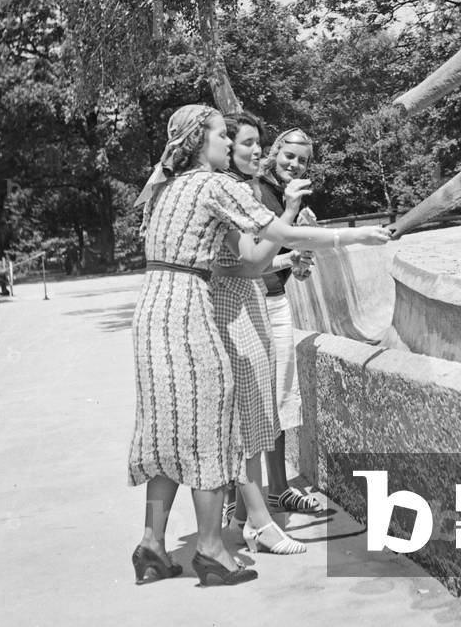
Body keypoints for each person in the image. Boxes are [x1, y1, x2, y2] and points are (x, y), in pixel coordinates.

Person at [128, 104, 389, 587]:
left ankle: (152, 546)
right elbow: (279, 232)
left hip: (150, 311)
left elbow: (251, 257)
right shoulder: (213, 183)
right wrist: (356, 235)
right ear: (198, 142)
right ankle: (210, 550)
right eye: (221, 136)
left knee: (164, 434)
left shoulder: (164, 188)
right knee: (211, 430)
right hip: (190, 309)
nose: (229, 143)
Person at [211, 112, 306, 555]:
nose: (295, 164)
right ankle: (243, 515)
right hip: (239, 306)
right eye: (245, 142)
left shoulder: (254, 189)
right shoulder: (230, 192)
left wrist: (294, 256)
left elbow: (267, 256)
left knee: (265, 407)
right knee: (244, 412)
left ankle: (255, 509)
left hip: (261, 301)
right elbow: (251, 261)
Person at [256, 128, 320, 513]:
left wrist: (303, 254)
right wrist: (291, 214)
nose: (294, 164)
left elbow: (293, 268)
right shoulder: (257, 190)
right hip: (252, 302)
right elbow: (256, 251)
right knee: (249, 400)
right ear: (274, 153)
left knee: (279, 396)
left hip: (278, 301)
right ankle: (238, 499)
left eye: (302, 161)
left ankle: (278, 489)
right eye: (289, 156)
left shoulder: (285, 196)